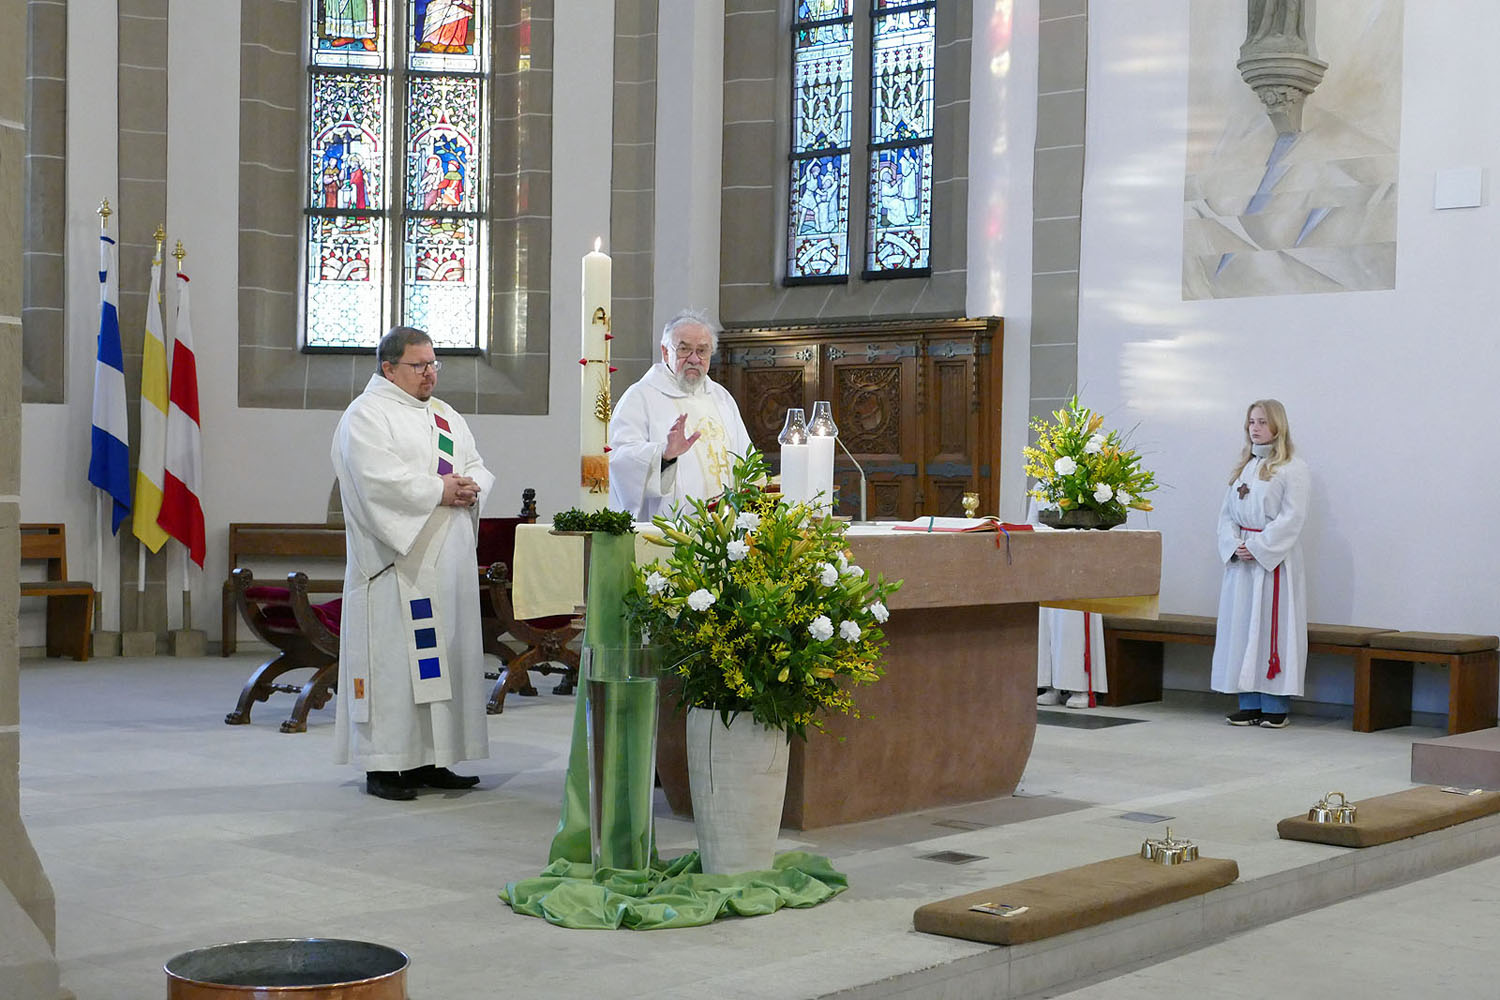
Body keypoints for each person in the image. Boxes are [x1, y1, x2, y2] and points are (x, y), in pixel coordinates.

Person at [331, 326, 494, 800]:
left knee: (442, 664)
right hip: (395, 566)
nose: (429, 374)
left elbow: (476, 463)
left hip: (446, 565)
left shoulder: (445, 416)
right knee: (395, 669)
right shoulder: (366, 415)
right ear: (388, 368)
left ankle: (432, 758)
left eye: (433, 364)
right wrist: (441, 489)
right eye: (418, 365)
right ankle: (384, 765)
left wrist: (472, 486)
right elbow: (377, 482)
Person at [1211, 399, 1309, 729]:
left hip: (1272, 563)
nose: (1255, 428)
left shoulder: (1293, 468)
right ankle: (1249, 702)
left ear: (1278, 426)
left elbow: (1292, 518)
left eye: (1262, 422)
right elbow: (1226, 515)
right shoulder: (1245, 467)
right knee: (1241, 627)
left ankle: (1274, 704)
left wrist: (1258, 547)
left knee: (1271, 629)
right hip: (1242, 562)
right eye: (1251, 422)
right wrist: (1234, 544)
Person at [608, 310, 752, 520]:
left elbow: (746, 459)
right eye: (684, 349)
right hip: (668, 529)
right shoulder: (640, 397)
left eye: (702, 351)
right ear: (665, 352)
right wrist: (664, 456)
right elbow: (620, 460)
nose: (694, 359)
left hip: (724, 528)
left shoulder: (721, 398)